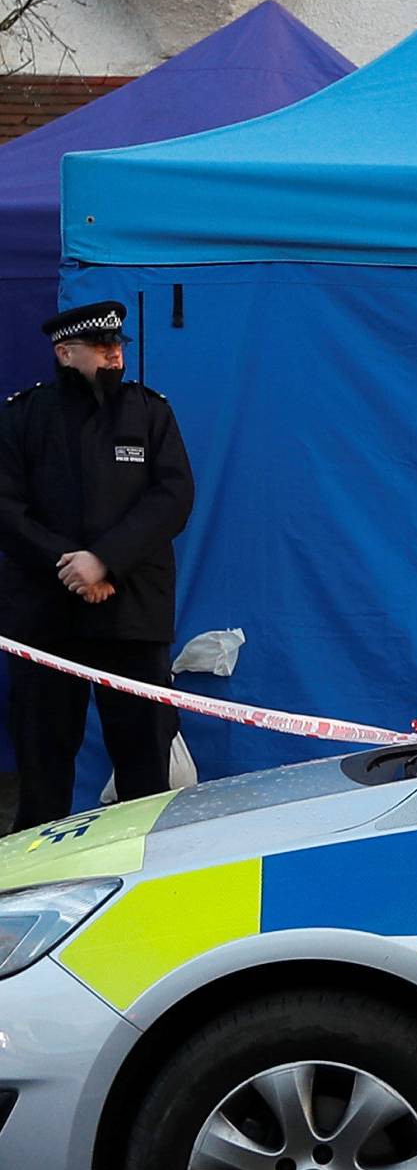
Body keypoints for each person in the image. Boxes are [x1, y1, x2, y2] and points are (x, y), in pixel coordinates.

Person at [0, 300, 195, 830]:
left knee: (143, 760)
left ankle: (151, 872)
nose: (114, 358)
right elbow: (7, 509)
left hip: (130, 615)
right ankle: (36, 881)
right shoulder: (22, 417)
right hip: (46, 619)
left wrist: (105, 562)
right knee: (43, 762)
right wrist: (70, 569)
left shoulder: (150, 412)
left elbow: (172, 499)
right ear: (65, 353)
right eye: (101, 349)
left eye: (117, 348)